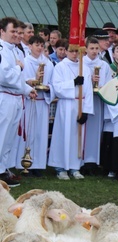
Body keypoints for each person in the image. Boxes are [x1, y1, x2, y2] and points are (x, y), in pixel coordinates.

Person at [47, 42, 94, 180]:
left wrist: (86, 111)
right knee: (63, 135)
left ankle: (75, 167)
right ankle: (60, 168)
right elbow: (56, 87)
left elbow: (89, 90)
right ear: (66, 51)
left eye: (77, 51)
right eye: (72, 51)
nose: (74, 54)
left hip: (81, 103)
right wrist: (73, 83)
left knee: (77, 136)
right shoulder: (61, 67)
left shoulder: (84, 68)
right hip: (66, 105)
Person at [0, 17, 37, 187]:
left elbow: (18, 79)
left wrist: (28, 89)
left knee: (9, 137)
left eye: (17, 32)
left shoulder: (15, 50)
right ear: (2, 32)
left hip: (15, 97)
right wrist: (19, 67)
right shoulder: (1, 50)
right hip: (4, 96)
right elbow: (4, 76)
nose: (16, 35)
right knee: (2, 134)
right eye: (12, 31)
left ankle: (4, 167)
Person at [15, 35, 54, 177]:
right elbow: (21, 81)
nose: (39, 48)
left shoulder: (48, 63)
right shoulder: (25, 61)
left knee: (41, 134)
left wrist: (48, 87)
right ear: (30, 46)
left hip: (42, 101)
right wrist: (33, 82)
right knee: (29, 133)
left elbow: (53, 82)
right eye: (36, 45)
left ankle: (37, 164)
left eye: (42, 45)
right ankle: (24, 164)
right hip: (30, 101)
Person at [82, 37, 113, 175]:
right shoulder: (81, 63)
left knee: (95, 131)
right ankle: (82, 160)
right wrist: (89, 81)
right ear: (86, 49)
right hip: (83, 100)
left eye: (96, 49)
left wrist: (100, 87)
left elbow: (108, 83)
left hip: (97, 100)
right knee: (84, 130)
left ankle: (93, 161)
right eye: (91, 48)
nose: (94, 51)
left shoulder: (104, 65)